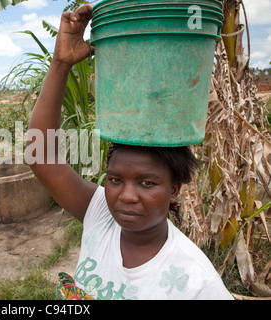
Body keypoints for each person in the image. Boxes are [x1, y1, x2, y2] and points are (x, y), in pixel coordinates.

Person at [27, 4, 233, 300]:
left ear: (174, 189)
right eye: (114, 179)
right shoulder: (101, 215)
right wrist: (61, 63)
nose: (125, 195)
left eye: (147, 182)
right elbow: (40, 155)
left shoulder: (196, 284)